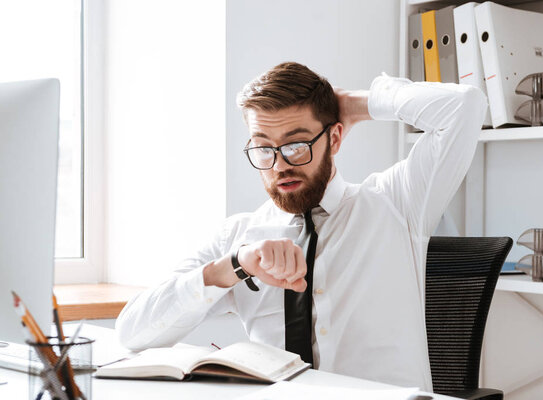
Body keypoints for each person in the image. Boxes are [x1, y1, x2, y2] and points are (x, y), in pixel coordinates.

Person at [116, 62, 487, 390]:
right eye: (264, 148)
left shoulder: (398, 202)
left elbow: (464, 106)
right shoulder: (239, 238)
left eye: (296, 145)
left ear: (335, 138)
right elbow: (133, 332)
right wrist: (233, 266)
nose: (279, 165)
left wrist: (356, 103)